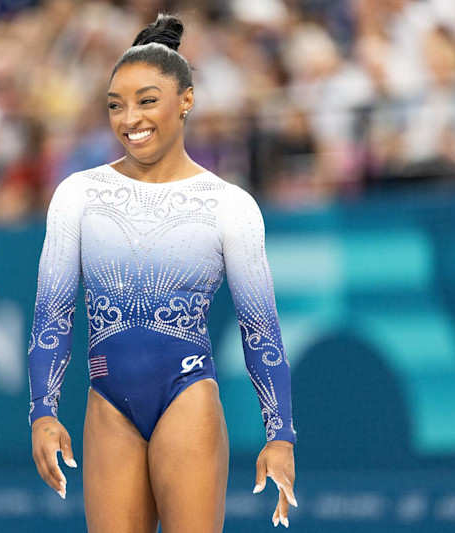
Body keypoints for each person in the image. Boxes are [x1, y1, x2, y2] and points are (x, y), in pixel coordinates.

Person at [27, 13, 297, 532]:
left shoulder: (228, 205)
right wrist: (43, 410)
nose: (130, 118)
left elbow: (260, 329)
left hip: (187, 395)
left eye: (147, 100)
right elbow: (53, 312)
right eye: (115, 105)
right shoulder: (78, 194)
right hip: (108, 400)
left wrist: (279, 435)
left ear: (186, 100)